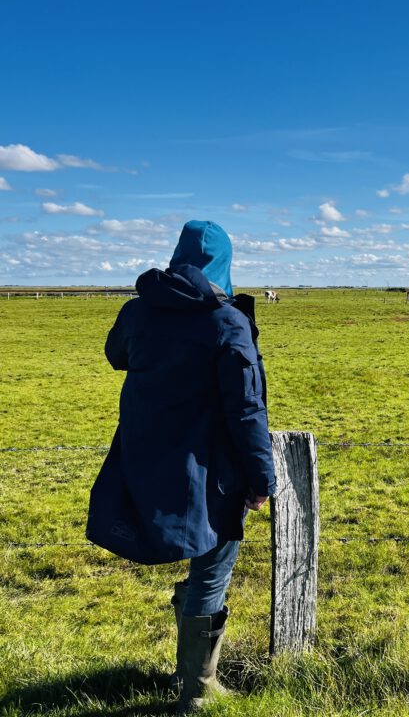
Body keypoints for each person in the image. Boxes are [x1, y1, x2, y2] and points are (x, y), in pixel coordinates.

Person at [87, 220, 276, 713]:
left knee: (204, 567)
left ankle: (186, 673)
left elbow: (116, 355)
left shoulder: (137, 311)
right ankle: (198, 688)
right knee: (213, 566)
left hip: (146, 455)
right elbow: (247, 410)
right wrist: (262, 478)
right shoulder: (226, 321)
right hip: (212, 469)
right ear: (225, 264)